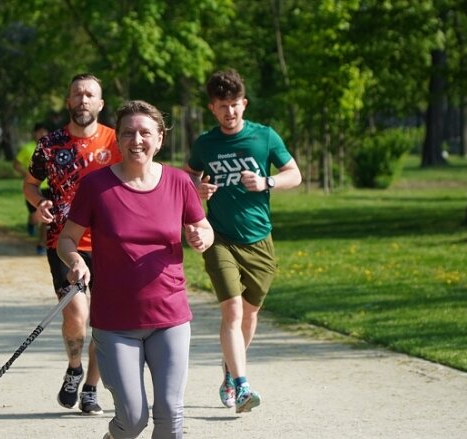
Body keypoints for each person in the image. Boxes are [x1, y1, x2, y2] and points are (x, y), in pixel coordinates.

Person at [58, 100, 213, 439]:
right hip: (116, 322)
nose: (137, 140)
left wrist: (202, 236)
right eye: (128, 133)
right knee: (132, 420)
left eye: (145, 133)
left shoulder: (179, 183)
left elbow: (204, 227)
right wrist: (76, 260)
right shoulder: (96, 186)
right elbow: (66, 239)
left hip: (170, 315)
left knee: (170, 417)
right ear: (118, 140)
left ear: (160, 139)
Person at [185, 69, 302, 414]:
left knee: (249, 315)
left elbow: (294, 174)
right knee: (233, 310)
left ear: (244, 103)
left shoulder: (264, 137)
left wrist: (267, 182)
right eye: (223, 106)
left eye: (235, 105)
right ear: (212, 108)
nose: (230, 112)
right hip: (218, 237)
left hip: (259, 240)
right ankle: (243, 384)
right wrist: (197, 189)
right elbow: (188, 174)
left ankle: (228, 371)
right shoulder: (206, 143)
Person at [23, 73, 120, 416]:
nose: (83, 100)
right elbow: (31, 185)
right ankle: (75, 367)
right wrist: (40, 202)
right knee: (77, 315)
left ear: (100, 103)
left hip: (112, 244)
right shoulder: (49, 145)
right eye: (77, 94)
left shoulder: (118, 140)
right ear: (68, 102)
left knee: (104, 321)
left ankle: (91, 387)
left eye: (89, 94)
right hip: (65, 242)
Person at [14, 122, 50, 255]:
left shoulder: (51, 146)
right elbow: (16, 164)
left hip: (48, 187)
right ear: (34, 133)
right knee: (35, 217)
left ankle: (42, 244)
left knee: (46, 218)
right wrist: (27, 175)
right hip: (33, 187)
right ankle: (31, 223)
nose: (42, 134)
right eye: (39, 132)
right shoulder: (28, 148)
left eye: (44, 132)